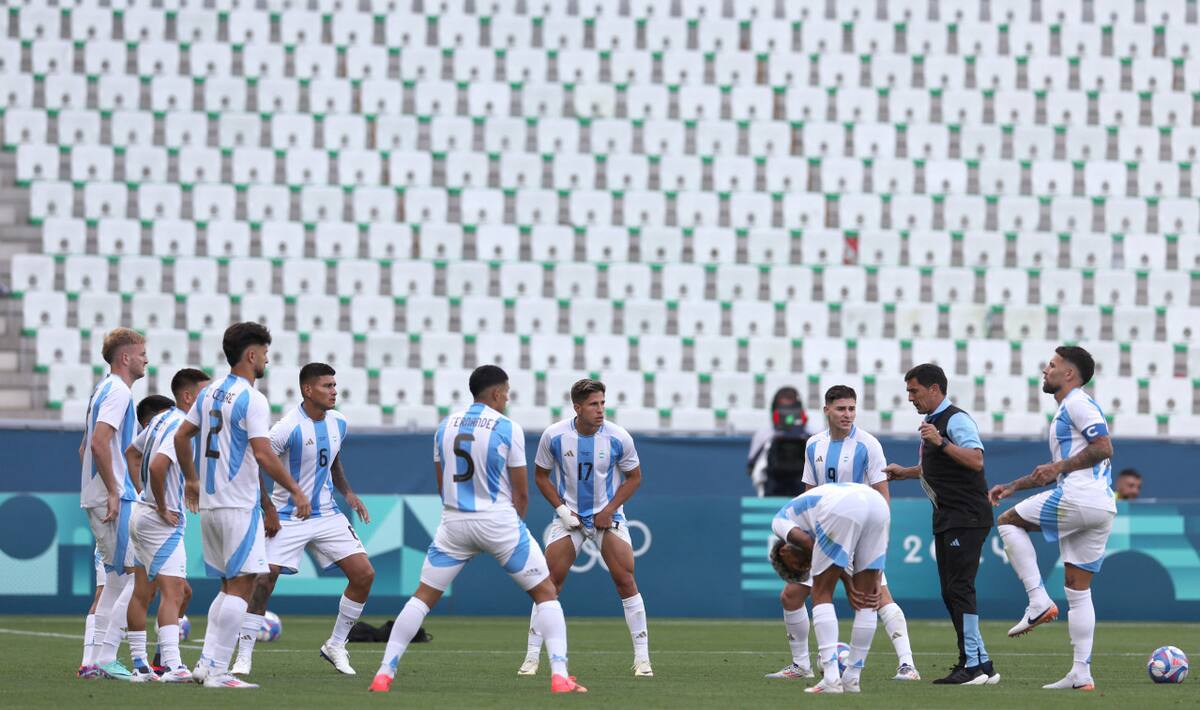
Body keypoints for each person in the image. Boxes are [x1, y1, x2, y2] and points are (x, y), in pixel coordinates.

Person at [368, 365, 585, 694]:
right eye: (507, 393)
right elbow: (521, 491)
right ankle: (560, 676)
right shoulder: (507, 427)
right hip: (497, 520)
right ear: (497, 394)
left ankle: (384, 674)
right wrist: (512, 527)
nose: (508, 399)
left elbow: (442, 484)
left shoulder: (445, 426)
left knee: (422, 598)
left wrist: (460, 520)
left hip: (454, 521)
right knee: (546, 594)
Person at [174, 322, 313, 690]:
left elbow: (181, 435)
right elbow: (264, 454)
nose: (267, 359)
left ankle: (205, 665)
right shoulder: (253, 399)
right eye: (265, 353)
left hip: (210, 504)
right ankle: (219, 671)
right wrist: (296, 491)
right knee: (243, 586)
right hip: (238, 505)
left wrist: (191, 479)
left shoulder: (209, 393)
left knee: (226, 587)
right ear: (251, 355)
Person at [765, 385, 919, 682]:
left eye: (851, 409)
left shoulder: (868, 445)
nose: (847, 415)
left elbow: (882, 497)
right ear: (827, 410)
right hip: (826, 535)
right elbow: (811, 494)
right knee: (791, 595)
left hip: (860, 531)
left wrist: (873, 537)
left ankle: (907, 665)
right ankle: (801, 665)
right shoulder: (813, 445)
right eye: (841, 409)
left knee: (877, 596)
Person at [233, 363, 375, 677]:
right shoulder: (286, 428)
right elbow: (256, 460)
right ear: (308, 390)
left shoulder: (339, 422)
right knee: (264, 580)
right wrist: (267, 507)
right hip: (288, 516)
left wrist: (348, 492)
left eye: (335, 385)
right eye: (327, 386)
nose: (334, 391)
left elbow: (333, 458)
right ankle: (243, 656)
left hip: (326, 514)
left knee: (364, 574)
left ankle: (336, 645)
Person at [989, 346, 1115, 691]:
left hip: (1079, 496)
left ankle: (1037, 599)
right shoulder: (1070, 409)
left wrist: (1059, 467)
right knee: (1078, 590)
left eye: (1053, 364)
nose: (1046, 369)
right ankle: (1081, 673)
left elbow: (1104, 447)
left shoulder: (1076, 402)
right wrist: (1014, 485)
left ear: (1070, 374)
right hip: (1101, 507)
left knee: (1008, 522)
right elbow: (1050, 472)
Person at [519, 378, 652, 678]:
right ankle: (531, 658)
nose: (600, 410)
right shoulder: (554, 436)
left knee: (626, 581)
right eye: (594, 404)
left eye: (603, 403)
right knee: (548, 583)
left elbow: (634, 477)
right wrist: (563, 511)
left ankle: (642, 660)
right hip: (571, 519)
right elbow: (540, 476)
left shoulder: (619, 437)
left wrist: (607, 511)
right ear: (577, 408)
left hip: (608, 517)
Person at [884, 363, 999, 685]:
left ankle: (971, 665)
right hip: (951, 515)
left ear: (934, 389)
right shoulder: (933, 422)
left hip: (966, 515)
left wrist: (941, 442)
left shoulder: (955, 420)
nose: (910, 398)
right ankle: (983, 663)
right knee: (953, 590)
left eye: (914, 391)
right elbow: (937, 467)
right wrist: (904, 472)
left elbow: (976, 459)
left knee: (958, 589)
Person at [124, 370, 211, 682]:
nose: (210, 399)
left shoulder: (162, 418)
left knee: (143, 592)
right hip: (160, 519)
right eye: (205, 392)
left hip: (139, 514)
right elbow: (157, 466)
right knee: (173, 592)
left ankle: (140, 665)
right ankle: (172, 665)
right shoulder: (178, 426)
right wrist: (160, 505)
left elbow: (132, 453)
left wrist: (142, 494)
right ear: (188, 397)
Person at [770, 482, 890, 694]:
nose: (807, 566)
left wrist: (846, 581)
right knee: (867, 597)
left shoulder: (779, 522)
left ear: (784, 552)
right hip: (877, 504)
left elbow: (809, 543)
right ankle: (852, 678)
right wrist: (861, 580)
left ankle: (832, 679)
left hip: (841, 506)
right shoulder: (805, 514)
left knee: (820, 592)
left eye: (800, 566)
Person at [77, 327, 147, 680]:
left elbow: (83, 448)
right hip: (113, 498)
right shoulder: (118, 392)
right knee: (135, 578)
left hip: (100, 496)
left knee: (118, 580)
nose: (146, 359)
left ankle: (93, 661)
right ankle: (105, 657)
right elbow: (99, 443)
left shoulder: (101, 390)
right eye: (141, 353)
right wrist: (113, 491)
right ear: (125, 357)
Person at [747, 386, 810, 496]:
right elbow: (752, 467)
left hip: (803, 492)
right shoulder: (764, 434)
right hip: (772, 491)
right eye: (782, 408)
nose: (787, 414)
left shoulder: (812, 434)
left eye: (791, 408)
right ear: (774, 409)